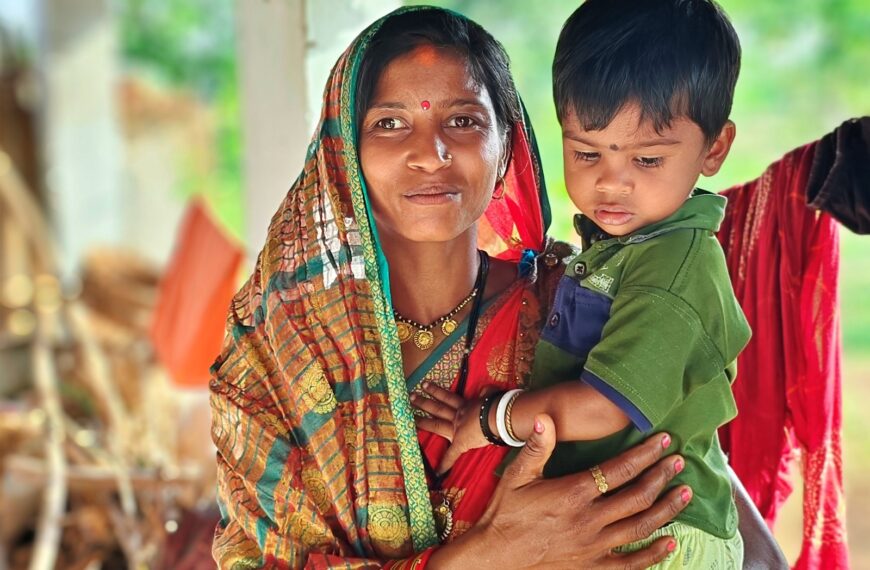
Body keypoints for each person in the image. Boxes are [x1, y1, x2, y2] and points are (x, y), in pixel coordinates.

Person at [209, 6, 783, 569]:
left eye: (463, 121)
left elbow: (745, 546)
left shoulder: (580, 303)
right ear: (342, 153)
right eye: (389, 123)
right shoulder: (277, 355)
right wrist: (489, 557)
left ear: (507, 144)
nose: (429, 154)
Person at [414, 1, 748, 567]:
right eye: (586, 153)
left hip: (662, 533)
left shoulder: (672, 267)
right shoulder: (616, 251)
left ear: (713, 149)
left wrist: (493, 421)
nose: (610, 183)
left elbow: (603, 409)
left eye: (646, 159)